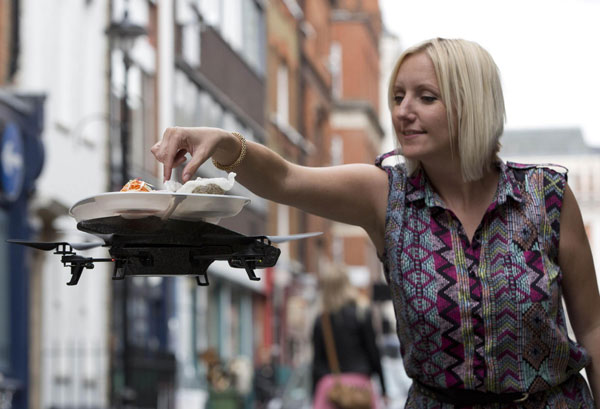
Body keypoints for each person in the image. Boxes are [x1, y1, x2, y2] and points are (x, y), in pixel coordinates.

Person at [151, 37, 600, 408]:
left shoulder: (545, 196)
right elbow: (286, 178)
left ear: (473, 104)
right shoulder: (386, 194)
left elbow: (593, 329)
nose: (404, 110)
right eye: (398, 96)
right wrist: (225, 143)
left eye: (426, 97)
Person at [311, 263, 387, 408]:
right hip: (360, 387)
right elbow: (373, 353)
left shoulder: (321, 320)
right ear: (347, 284)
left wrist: (314, 393)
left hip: (330, 388)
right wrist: (384, 388)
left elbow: (317, 362)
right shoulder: (362, 314)